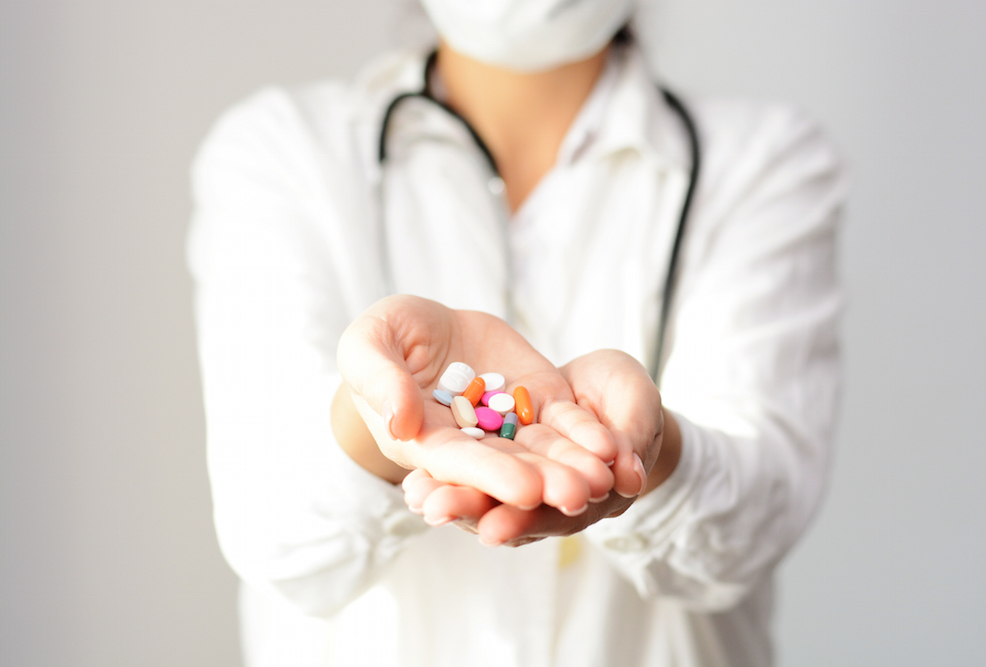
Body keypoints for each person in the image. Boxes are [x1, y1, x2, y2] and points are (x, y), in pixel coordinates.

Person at [187, 0, 847, 665]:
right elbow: (276, 541)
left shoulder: (766, 161)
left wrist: (653, 448)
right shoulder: (279, 148)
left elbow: (757, 524)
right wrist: (386, 418)